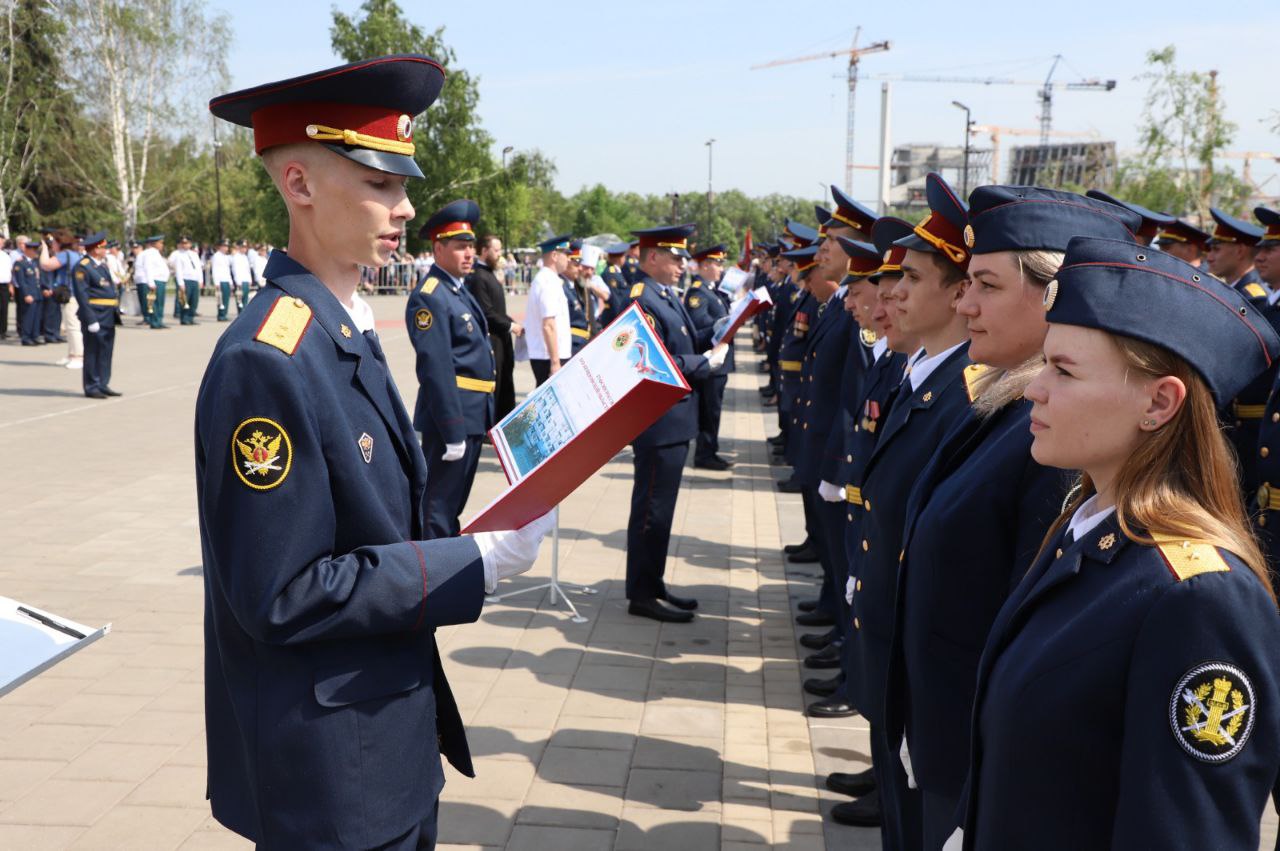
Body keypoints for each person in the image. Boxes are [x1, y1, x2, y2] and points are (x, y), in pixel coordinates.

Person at [201, 56, 555, 850]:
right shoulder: (267, 359)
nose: (406, 206)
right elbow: (282, 592)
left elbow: (374, 525)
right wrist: (474, 563)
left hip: (385, 741)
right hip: (333, 774)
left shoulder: (343, 323)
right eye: (380, 184)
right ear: (299, 184)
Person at [948, 236, 1280, 850]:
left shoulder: (1201, 599)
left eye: (1064, 370)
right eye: (1044, 362)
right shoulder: (1088, 525)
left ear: (1158, 402)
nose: (1032, 389)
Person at [882, 187, 1143, 849]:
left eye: (986, 285)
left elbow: (1039, 647)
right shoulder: (1002, 406)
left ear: (1054, 294)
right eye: (967, 283)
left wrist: (983, 802)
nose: (964, 303)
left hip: (986, 778)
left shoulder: (1058, 437)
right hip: (948, 751)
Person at [844, 173, 975, 849]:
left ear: (960, 293)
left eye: (911, 278)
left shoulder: (968, 398)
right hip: (894, 628)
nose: (888, 292)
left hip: (926, 655)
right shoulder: (921, 375)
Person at [624, 223, 730, 622]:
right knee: (652, 511)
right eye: (676, 257)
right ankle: (641, 593)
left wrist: (715, 332)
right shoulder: (642, 298)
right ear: (652, 258)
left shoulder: (664, 294)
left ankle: (652, 583)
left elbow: (680, 340)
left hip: (673, 420)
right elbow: (647, 363)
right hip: (658, 421)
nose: (684, 264)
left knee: (661, 511)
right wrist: (705, 363)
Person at [405, 199, 496, 539]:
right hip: (452, 420)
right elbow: (436, 369)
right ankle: (432, 586)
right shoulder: (430, 296)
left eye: (471, 246)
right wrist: (452, 430)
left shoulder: (457, 290)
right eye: (460, 247)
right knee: (437, 511)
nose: (468, 254)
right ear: (438, 248)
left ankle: (444, 578)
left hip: (473, 414)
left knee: (452, 508)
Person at [684, 245, 734, 470]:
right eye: (717, 263)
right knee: (709, 410)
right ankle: (705, 454)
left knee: (713, 409)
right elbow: (697, 329)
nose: (721, 268)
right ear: (704, 265)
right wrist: (718, 325)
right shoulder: (698, 292)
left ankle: (710, 450)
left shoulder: (711, 290)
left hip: (718, 361)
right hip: (709, 360)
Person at [468, 234, 520, 420]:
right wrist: (510, 326)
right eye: (496, 250)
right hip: (492, 340)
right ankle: (491, 425)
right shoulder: (478, 277)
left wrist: (511, 322)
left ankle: (502, 422)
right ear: (484, 251)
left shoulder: (488, 274)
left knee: (505, 381)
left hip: (501, 338)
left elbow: (497, 309)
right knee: (495, 384)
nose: (500, 255)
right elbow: (486, 312)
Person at [69, 231, 121, 399]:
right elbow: (82, 296)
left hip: (108, 314)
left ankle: (103, 383)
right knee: (92, 351)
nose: (106, 249)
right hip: (95, 315)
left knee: (106, 351)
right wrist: (90, 319)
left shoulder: (101, 266)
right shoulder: (82, 266)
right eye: (103, 247)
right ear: (95, 249)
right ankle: (91, 386)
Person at [524, 235, 572, 385]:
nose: (568, 259)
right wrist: (555, 362)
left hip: (550, 354)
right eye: (566, 254)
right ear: (555, 256)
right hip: (548, 356)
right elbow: (548, 325)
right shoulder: (547, 281)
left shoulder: (549, 279)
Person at [37, 228, 80, 363]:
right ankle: (72, 355)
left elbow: (45, 264)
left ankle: (79, 356)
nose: (52, 245)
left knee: (72, 326)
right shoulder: (73, 254)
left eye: (54, 242)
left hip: (69, 294)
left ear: (60, 242)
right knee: (70, 325)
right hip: (73, 293)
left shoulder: (64, 255)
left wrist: (44, 248)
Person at [13, 238, 43, 346]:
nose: (35, 252)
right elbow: (21, 281)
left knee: (36, 316)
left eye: (36, 250)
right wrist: (26, 294)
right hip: (29, 294)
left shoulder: (34, 263)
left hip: (37, 293)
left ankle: (34, 336)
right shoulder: (20, 263)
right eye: (34, 250)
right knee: (28, 316)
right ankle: (26, 337)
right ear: (27, 250)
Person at [136, 234, 169, 329]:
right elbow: (148, 268)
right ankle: (155, 322)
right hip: (155, 281)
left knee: (160, 303)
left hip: (160, 280)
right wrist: (151, 282)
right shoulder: (149, 253)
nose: (162, 245)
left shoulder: (156, 253)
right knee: (155, 303)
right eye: (161, 243)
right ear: (155, 243)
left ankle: (159, 320)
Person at [169, 235, 202, 325]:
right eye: (183, 243)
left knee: (194, 300)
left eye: (186, 243)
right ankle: (184, 318)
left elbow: (198, 268)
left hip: (194, 279)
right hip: (186, 279)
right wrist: (181, 283)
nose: (185, 245)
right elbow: (178, 270)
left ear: (190, 244)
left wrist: (201, 280)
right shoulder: (179, 255)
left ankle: (191, 317)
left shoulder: (194, 254)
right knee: (184, 300)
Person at [210, 239, 233, 320]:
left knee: (226, 299)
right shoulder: (216, 256)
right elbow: (215, 270)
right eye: (224, 246)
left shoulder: (226, 257)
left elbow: (228, 270)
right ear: (219, 247)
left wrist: (230, 282)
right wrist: (216, 282)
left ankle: (224, 314)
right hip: (220, 281)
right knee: (221, 299)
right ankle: (221, 315)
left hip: (226, 280)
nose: (226, 248)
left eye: (227, 246)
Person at [230, 240, 253, 311]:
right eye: (242, 247)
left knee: (245, 299)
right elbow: (235, 270)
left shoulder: (245, 257)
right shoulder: (236, 257)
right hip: (240, 281)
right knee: (240, 299)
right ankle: (240, 314)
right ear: (239, 247)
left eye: (245, 247)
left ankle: (244, 313)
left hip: (246, 280)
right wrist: (238, 282)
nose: (244, 249)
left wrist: (250, 280)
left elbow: (248, 270)